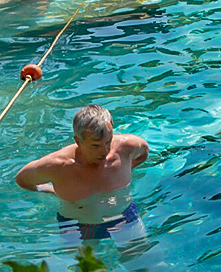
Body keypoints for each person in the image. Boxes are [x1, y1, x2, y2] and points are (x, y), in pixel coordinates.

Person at [15, 105, 149, 244]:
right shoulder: (57, 165)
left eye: (108, 142)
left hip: (123, 216)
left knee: (145, 262)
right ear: (78, 141)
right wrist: (48, 190)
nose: (105, 151)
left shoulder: (127, 147)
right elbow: (22, 179)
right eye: (95, 146)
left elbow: (144, 151)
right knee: (82, 264)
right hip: (77, 224)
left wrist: (127, 167)